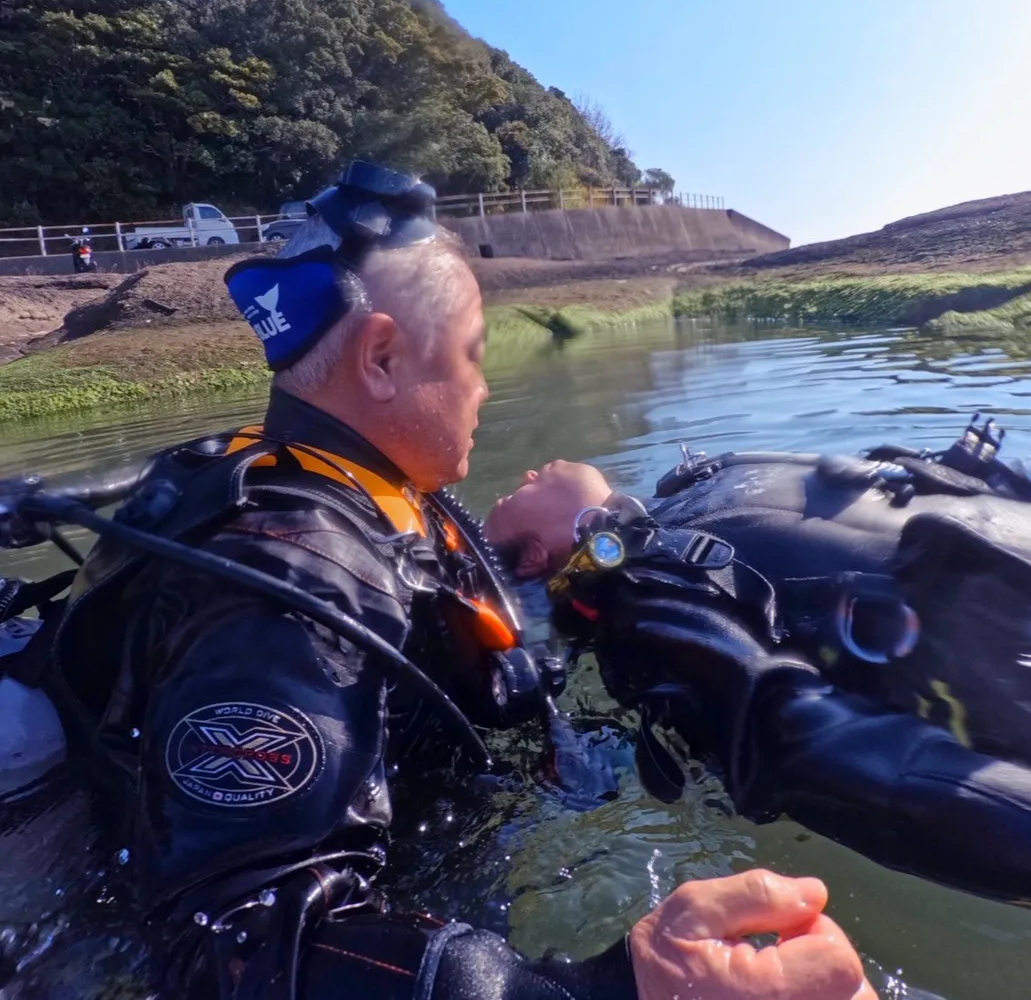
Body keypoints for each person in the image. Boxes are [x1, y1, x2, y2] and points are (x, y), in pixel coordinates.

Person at [5, 162, 877, 1000]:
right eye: (473, 354)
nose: (486, 389)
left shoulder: (362, 490)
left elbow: (455, 608)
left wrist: (590, 546)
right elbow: (239, 951)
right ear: (381, 359)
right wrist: (600, 992)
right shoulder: (282, 569)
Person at [483, 440, 1031, 920]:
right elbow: (812, 746)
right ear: (538, 554)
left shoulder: (695, 491)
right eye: (515, 498)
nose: (528, 473)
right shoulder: (638, 598)